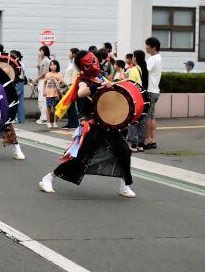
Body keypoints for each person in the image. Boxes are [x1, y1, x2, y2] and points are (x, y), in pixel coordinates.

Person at [39, 50, 135, 198]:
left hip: (107, 123)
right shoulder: (83, 79)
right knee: (80, 157)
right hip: (92, 125)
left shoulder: (98, 77)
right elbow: (81, 93)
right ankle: (49, 177)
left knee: (124, 151)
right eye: (89, 63)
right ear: (84, 67)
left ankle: (125, 185)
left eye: (94, 61)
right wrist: (99, 86)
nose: (94, 64)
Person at [127, 50, 150, 152]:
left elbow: (133, 84)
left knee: (132, 120)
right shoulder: (143, 68)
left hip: (136, 97)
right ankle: (140, 144)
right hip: (145, 97)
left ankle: (133, 145)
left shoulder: (134, 69)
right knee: (141, 121)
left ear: (135, 57)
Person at [144, 37, 162, 149]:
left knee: (148, 117)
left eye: (147, 45)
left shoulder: (153, 59)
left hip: (150, 91)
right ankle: (153, 139)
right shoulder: (158, 58)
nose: (146, 47)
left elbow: (144, 71)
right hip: (155, 91)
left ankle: (147, 140)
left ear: (153, 47)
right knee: (152, 117)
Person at [62, 48, 80, 129]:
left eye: (70, 52)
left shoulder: (76, 63)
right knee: (68, 105)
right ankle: (70, 123)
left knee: (71, 105)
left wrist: (72, 86)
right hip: (67, 85)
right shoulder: (71, 62)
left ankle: (74, 123)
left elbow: (75, 75)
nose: (68, 54)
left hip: (71, 85)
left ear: (74, 54)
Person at [43, 60, 64, 128]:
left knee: (55, 108)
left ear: (57, 66)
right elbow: (45, 83)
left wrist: (59, 94)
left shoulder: (59, 75)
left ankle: (55, 122)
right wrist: (44, 91)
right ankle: (48, 122)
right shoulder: (47, 74)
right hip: (48, 93)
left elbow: (61, 86)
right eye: (51, 65)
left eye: (54, 65)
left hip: (56, 94)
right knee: (48, 108)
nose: (52, 66)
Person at [35, 45, 50, 124]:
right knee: (43, 99)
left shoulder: (44, 60)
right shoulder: (48, 60)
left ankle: (43, 118)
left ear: (43, 51)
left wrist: (36, 79)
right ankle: (44, 117)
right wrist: (39, 68)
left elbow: (44, 72)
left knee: (41, 100)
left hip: (42, 81)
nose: (39, 53)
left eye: (40, 51)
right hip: (46, 81)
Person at [11, 50, 27, 125]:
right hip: (21, 83)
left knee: (13, 101)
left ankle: (14, 118)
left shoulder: (14, 64)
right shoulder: (22, 64)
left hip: (16, 83)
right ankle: (21, 119)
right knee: (20, 103)